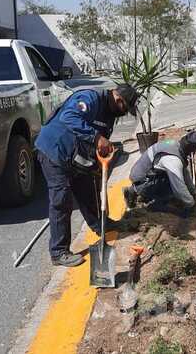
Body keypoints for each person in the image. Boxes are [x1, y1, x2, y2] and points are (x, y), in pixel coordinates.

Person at [36, 84, 138, 267]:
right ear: (118, 99)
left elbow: (101, 140)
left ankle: (101, 226)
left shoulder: (109, 113)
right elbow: (69, 117)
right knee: (62, 200)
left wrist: (99, 162)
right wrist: (97, 138)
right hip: (54, 151)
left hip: (76, 156)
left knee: (89, 188)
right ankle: (59, 252)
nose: (124, 113)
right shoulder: (91, 98)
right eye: (125, 108)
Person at [123, 131, 196, 213]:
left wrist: (194, 193)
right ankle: (153, 205)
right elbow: (178, 188)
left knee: (176, 180)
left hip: (143, 175)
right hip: (143, 183)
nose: (193, 153)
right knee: (173, 193)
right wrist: (191, 204)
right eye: (194, 150)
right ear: (190, 148)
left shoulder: (174, 144)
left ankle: (134, 191)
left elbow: (184, 172)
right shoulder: (173, 160)